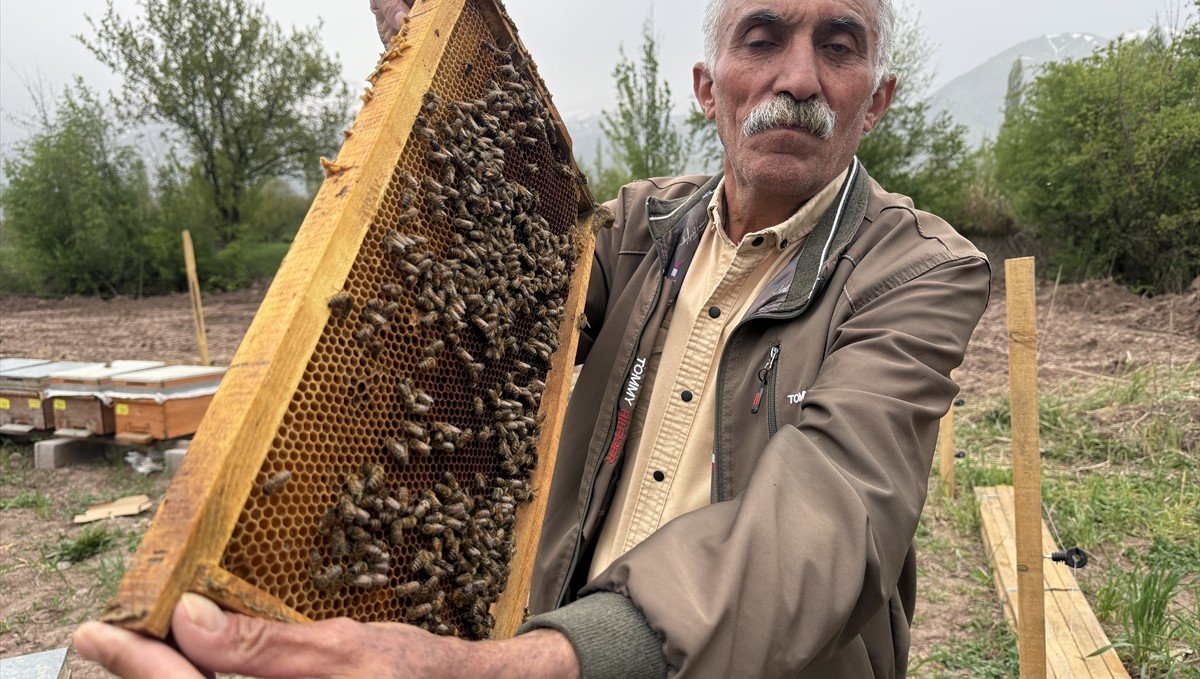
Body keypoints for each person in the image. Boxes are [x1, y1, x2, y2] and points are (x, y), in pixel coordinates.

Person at [74, 0, 990, 676]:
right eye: (763, 38)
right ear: (709, 89)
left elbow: (829, 519)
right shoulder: (637, 226)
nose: (798, 78)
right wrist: (438, 89)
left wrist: (531, 664)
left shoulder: (916, 270)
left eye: (840, 46)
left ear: (877, 99)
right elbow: (479, 294)